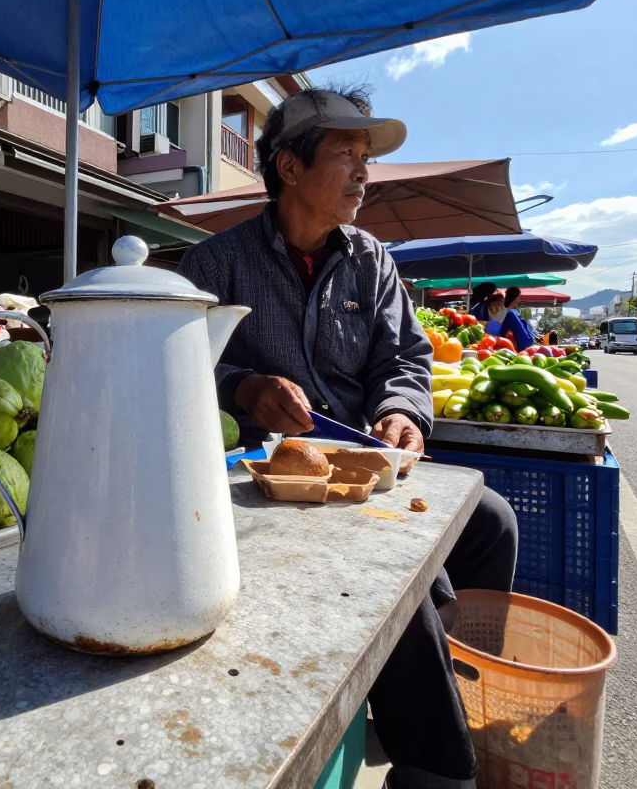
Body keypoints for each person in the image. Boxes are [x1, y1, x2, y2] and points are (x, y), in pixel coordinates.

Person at [177, 87, 517, 789]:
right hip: (262, 482)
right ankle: (434, 765)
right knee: (402, 579)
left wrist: (402, 412)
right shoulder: (214, 267)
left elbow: (407, 359)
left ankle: (453, 683)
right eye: (346, 155)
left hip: (363, 464)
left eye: (367, 158)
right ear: (289, 168)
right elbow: (179, 374)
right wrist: (245, 389)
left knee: (492, 522)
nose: (365, 172)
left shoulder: (372, 261)